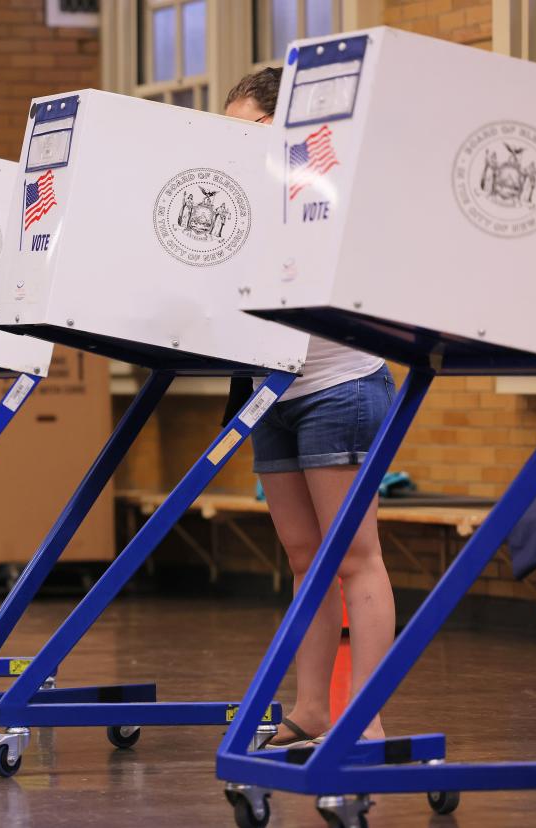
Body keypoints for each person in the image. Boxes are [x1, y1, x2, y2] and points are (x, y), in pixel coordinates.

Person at [224, 68, 397, 748]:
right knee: (303, 559)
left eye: (255, 132)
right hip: (273, 390)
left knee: (353, 556)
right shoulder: (242, 203)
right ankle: (312, 709)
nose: (244, 148)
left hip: (341, 386)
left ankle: (366, 718)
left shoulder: (319, 184)